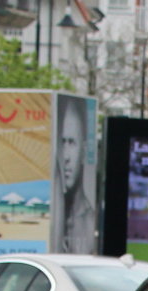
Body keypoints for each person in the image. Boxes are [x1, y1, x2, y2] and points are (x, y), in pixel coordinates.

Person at [55, 96, 96, 254]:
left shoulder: (88, 221)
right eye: (62, 142)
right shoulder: (56, 217)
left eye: (71, 143)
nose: (65, 156)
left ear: (84, 150)